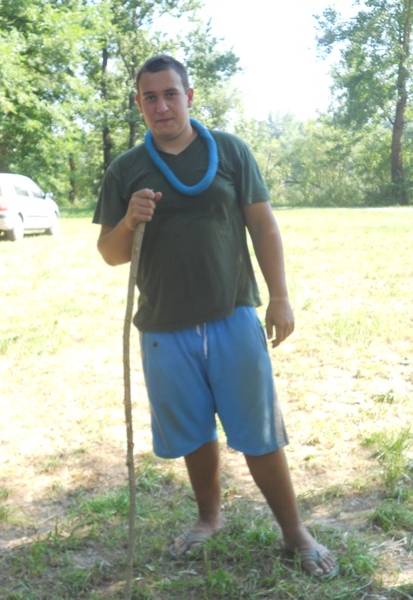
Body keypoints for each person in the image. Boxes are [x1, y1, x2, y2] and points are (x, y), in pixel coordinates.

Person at [93, 55, 338, 579]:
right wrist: (129, 221)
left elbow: (263, 226)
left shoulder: (229, 151)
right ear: (139, 104)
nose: (162, 105)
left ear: (189, 96)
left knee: (259, 430)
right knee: (194, 432)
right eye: (150, 97)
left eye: (170, 94)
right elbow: (110, 253)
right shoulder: (125, 170)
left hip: (233, 316)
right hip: (163, 328)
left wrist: (279, 296)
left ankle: (295, 531)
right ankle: (209, 517)